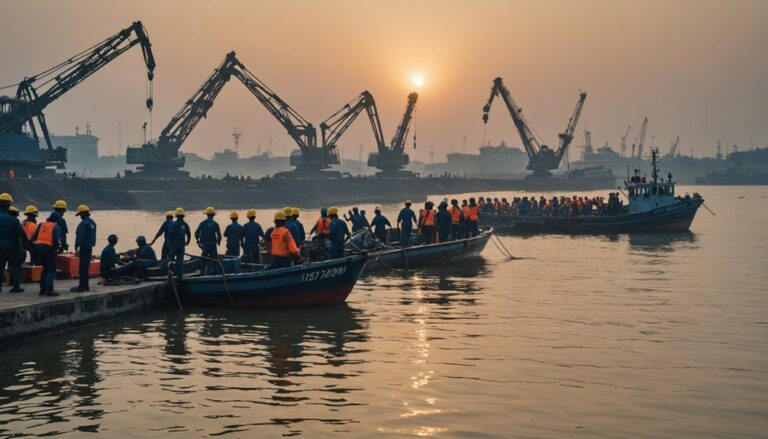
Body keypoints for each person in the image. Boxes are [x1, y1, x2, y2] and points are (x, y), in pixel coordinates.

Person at [0, 195, 27, 293]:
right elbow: (22, 234)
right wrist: (27, 245)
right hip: (11, 246)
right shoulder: (14, 220)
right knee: (16, 266)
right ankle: (16, 287)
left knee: (0, 266)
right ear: (9, 205)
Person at [32, 212, 63, 296]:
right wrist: (59, 248)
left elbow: (34, 236)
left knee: (45, 269)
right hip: (49, 248)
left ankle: (42, 289)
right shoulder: (55, 227)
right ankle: (49, 290)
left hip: (39, 248)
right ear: (56, 220)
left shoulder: (41, 225)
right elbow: (57, 239)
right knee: (51, 269)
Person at [71, 205, 96, 292]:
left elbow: (80, 236)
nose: (80, 217)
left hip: (84, 247)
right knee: (86, 266)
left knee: (82, 267)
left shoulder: (83, 223)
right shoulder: (92, 223)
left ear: (83, 214)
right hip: (89, 247)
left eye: (80, 214)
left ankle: (82, 286)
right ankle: (86, 285)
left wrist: (76, 245)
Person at [195, 206, 222, 274]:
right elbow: (219, 235)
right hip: (213, 244)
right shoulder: (216, 224)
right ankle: (215, 273)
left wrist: (198, 241)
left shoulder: (202, 223)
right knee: (214, 260)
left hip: (205, 245)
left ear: (206, 215)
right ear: (213, 215)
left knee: (204, 259)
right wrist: (218, 242)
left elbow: (196, 233)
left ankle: (202, 273)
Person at [167, 208, 191, 277]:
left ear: (176, 216)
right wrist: (187, 242)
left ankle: (169, 274)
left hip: (174, 245)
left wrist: (169, 245)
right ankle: (180, 275)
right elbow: (189, 234)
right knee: (180, 261)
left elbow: (170, 235)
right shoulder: (185, 224)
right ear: (183, 216)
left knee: (170, 259)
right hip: (181, 245)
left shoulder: (173, 224)